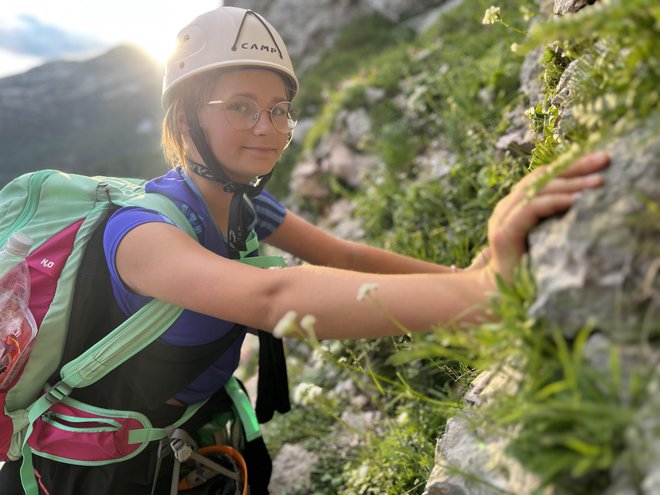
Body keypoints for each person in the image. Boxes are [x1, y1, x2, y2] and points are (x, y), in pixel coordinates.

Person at [0, 5, 609, 495]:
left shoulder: (243, 205)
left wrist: (466, 273)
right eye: (240, 107)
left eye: (279, 110)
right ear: (185, 121)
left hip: (187, 434)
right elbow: (272, 297)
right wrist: (483, 296)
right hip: (96, 471)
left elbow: (343, 255)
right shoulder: (140, 234)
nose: (268, 127)